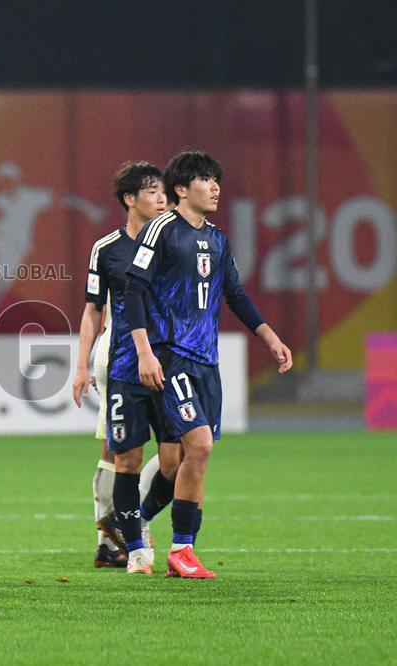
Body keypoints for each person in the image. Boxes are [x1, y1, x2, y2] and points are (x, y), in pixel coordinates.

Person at [124, 150, 293, 578]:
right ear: (181, 189)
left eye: (216, 179)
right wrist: (144, 351)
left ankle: (151, 526)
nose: (215, 186)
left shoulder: (218, 239)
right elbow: (134, 289)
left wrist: (269, 336)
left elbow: (234, 294)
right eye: (204, 179)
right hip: (170, 356)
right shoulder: (161, 230)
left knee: (184, 459)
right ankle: (181, 549)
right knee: (199, 446)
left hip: (206, 362)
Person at [73, 161, 180, 574]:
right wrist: (81, 365)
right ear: (129, 199)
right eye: (152, 191)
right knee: (116, 451)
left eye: (164, 192)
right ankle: (110, 541)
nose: (162, 199)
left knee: (178, 453)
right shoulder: (107, 249)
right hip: (117, 357)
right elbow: (91, 311)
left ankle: (127, 523)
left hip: (167, 358)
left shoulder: (175, 242)